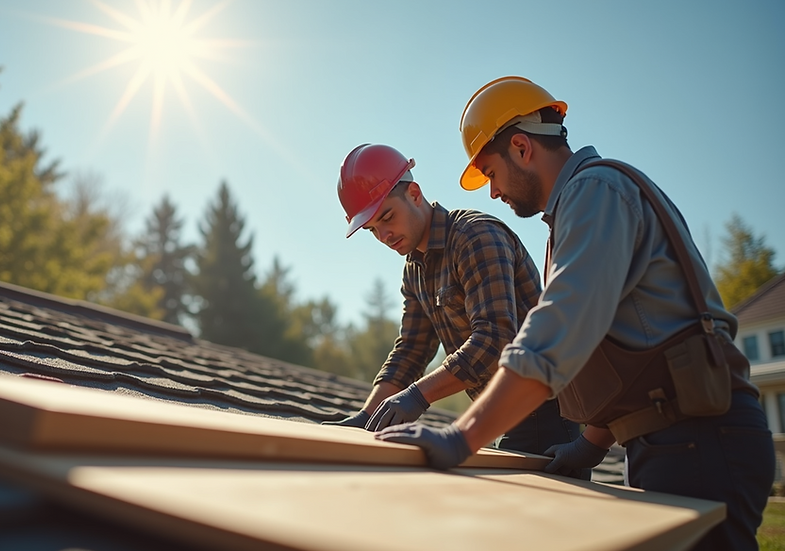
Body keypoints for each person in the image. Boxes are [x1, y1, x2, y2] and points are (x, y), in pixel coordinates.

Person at [375, 76, 774, 551]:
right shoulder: (582, 206)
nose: (493, 193)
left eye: (491, 173)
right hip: (671, 439)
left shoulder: (595, 193)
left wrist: (464, 437)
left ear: (521, 148)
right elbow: (623, 340)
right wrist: (593, 442)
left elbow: (557, 332)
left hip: (701, 440)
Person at [325, 143, 581, 463]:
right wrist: (367, 416)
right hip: (501, 414)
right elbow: (412, 349)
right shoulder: (414, 270)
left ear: (414, 194)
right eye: (373, 230)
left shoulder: (475, 237)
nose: (385, 236)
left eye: (387, 217)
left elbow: (495, 341)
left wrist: (418, 396)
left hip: (547, 414)